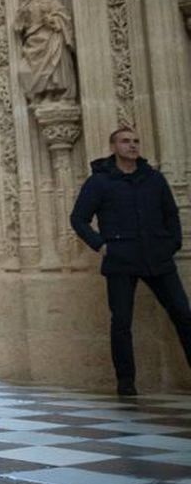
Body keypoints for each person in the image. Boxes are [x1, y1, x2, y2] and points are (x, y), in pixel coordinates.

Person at [70, 127, 191, 396]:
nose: (132, 145)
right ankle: (126, 383)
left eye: (136, 141)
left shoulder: (154, 178)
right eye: (125, 141)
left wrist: (172, 243)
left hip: (158, 257)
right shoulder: (99, 182)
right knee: (121, 322)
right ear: (114, 147)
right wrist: (101, 245)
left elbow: (171, 214)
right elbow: (78, 219)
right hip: (121, 259)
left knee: (183, 314)